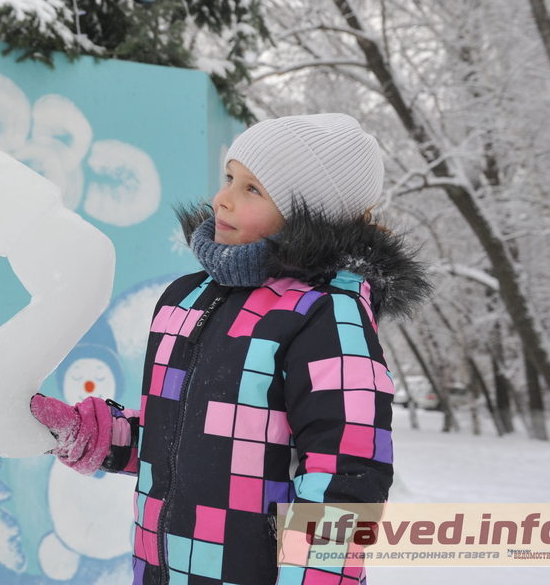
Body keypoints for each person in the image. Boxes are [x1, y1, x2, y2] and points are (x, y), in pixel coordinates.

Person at [31, 113, 432, 585]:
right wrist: (97, 435)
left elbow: (345, 480)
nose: (222, 198)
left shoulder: (327, 318)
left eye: (252, 190)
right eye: (229, 178)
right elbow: (177, 437)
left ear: (310, 217)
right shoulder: (186, 299)